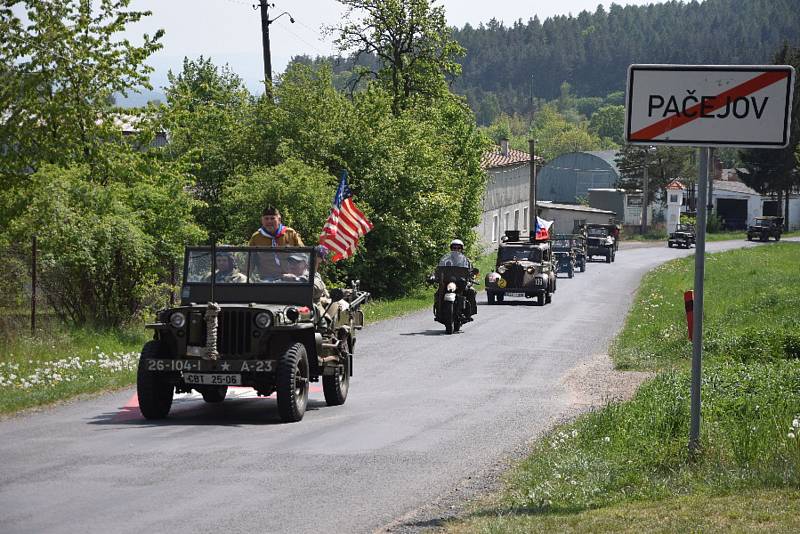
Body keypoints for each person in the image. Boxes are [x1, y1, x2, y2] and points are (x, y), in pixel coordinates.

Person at [437, 239, 477, 316]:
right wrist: (434, 276)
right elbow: (439, 269)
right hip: (447, 281)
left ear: (461, 249)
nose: (456, 250)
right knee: (438, 292)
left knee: (471, 291)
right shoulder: (445, 260)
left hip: (461, 281)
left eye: (458, 248)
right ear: (451, 249)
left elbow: (471, 270)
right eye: (454, 248)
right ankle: (439, 311)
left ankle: (469, 312)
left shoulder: (466, 261)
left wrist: (472, 276)